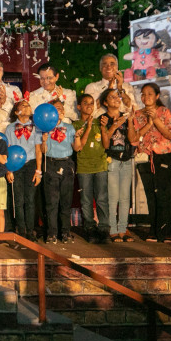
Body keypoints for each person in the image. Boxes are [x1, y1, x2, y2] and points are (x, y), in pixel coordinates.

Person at [128, 83, 171, 244]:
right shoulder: (137, 114)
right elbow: (134, 139)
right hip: (144, 157)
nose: (146, 97)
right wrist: (147, 124)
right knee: (150, 194)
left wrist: (155, 119)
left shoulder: (164, 112)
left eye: (150, 94)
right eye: (143, 94)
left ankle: (169, 231)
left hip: (163, 156)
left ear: (157, 96)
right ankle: (154, 230)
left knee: (163, 194)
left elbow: (170, 134)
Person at [41, 99, 82, 244]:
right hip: (51, 163)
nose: (60, 111)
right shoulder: (45, 127)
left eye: (61, 109)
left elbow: (77, 148)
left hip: (67, 163)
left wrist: (77, 137)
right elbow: (43, 151)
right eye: (57, 108)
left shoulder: (69, 127)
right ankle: (51, 233)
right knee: (51, 201)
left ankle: (65, 232)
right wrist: (44, 140)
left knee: (66, 200)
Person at [99, 89, 136, 242]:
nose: (116, 99)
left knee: (125, 197)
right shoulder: (103, 119)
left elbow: (132, 139)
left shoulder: (125, 117)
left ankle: (123, 228)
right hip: (112, 159)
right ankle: (112, 229)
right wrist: (113, 126)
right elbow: (105, 144)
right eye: (112, 97)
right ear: (105, 102)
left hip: (126, 159)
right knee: (113, 197)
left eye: (117, 96)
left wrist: (130, 121)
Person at [74, 93, 110, 244]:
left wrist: (103, 128)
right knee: (86, 200)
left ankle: (104, 229)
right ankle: (90, 228)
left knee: (102, 199)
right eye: (85, 103)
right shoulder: (75, 125)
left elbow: (106, 145)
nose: (89, 106)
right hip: (84, 168)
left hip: (100, 166)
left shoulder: (99, 122)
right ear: (79, 107)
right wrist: (88, 127)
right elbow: (79, 147)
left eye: (91, 103)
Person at [5, 98, 42, 241]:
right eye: (23, 105)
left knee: (30, 199)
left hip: (31, 164)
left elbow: (38, 150)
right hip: (15, 165)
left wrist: (38, 171)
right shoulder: (10, 128)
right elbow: (7, 150)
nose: (27, 107)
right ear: (16, 112)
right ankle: (21, 231)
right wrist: (8, 170)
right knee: (18, 199)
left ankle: (30, 231)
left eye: (28, 105)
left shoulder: (36, 127)